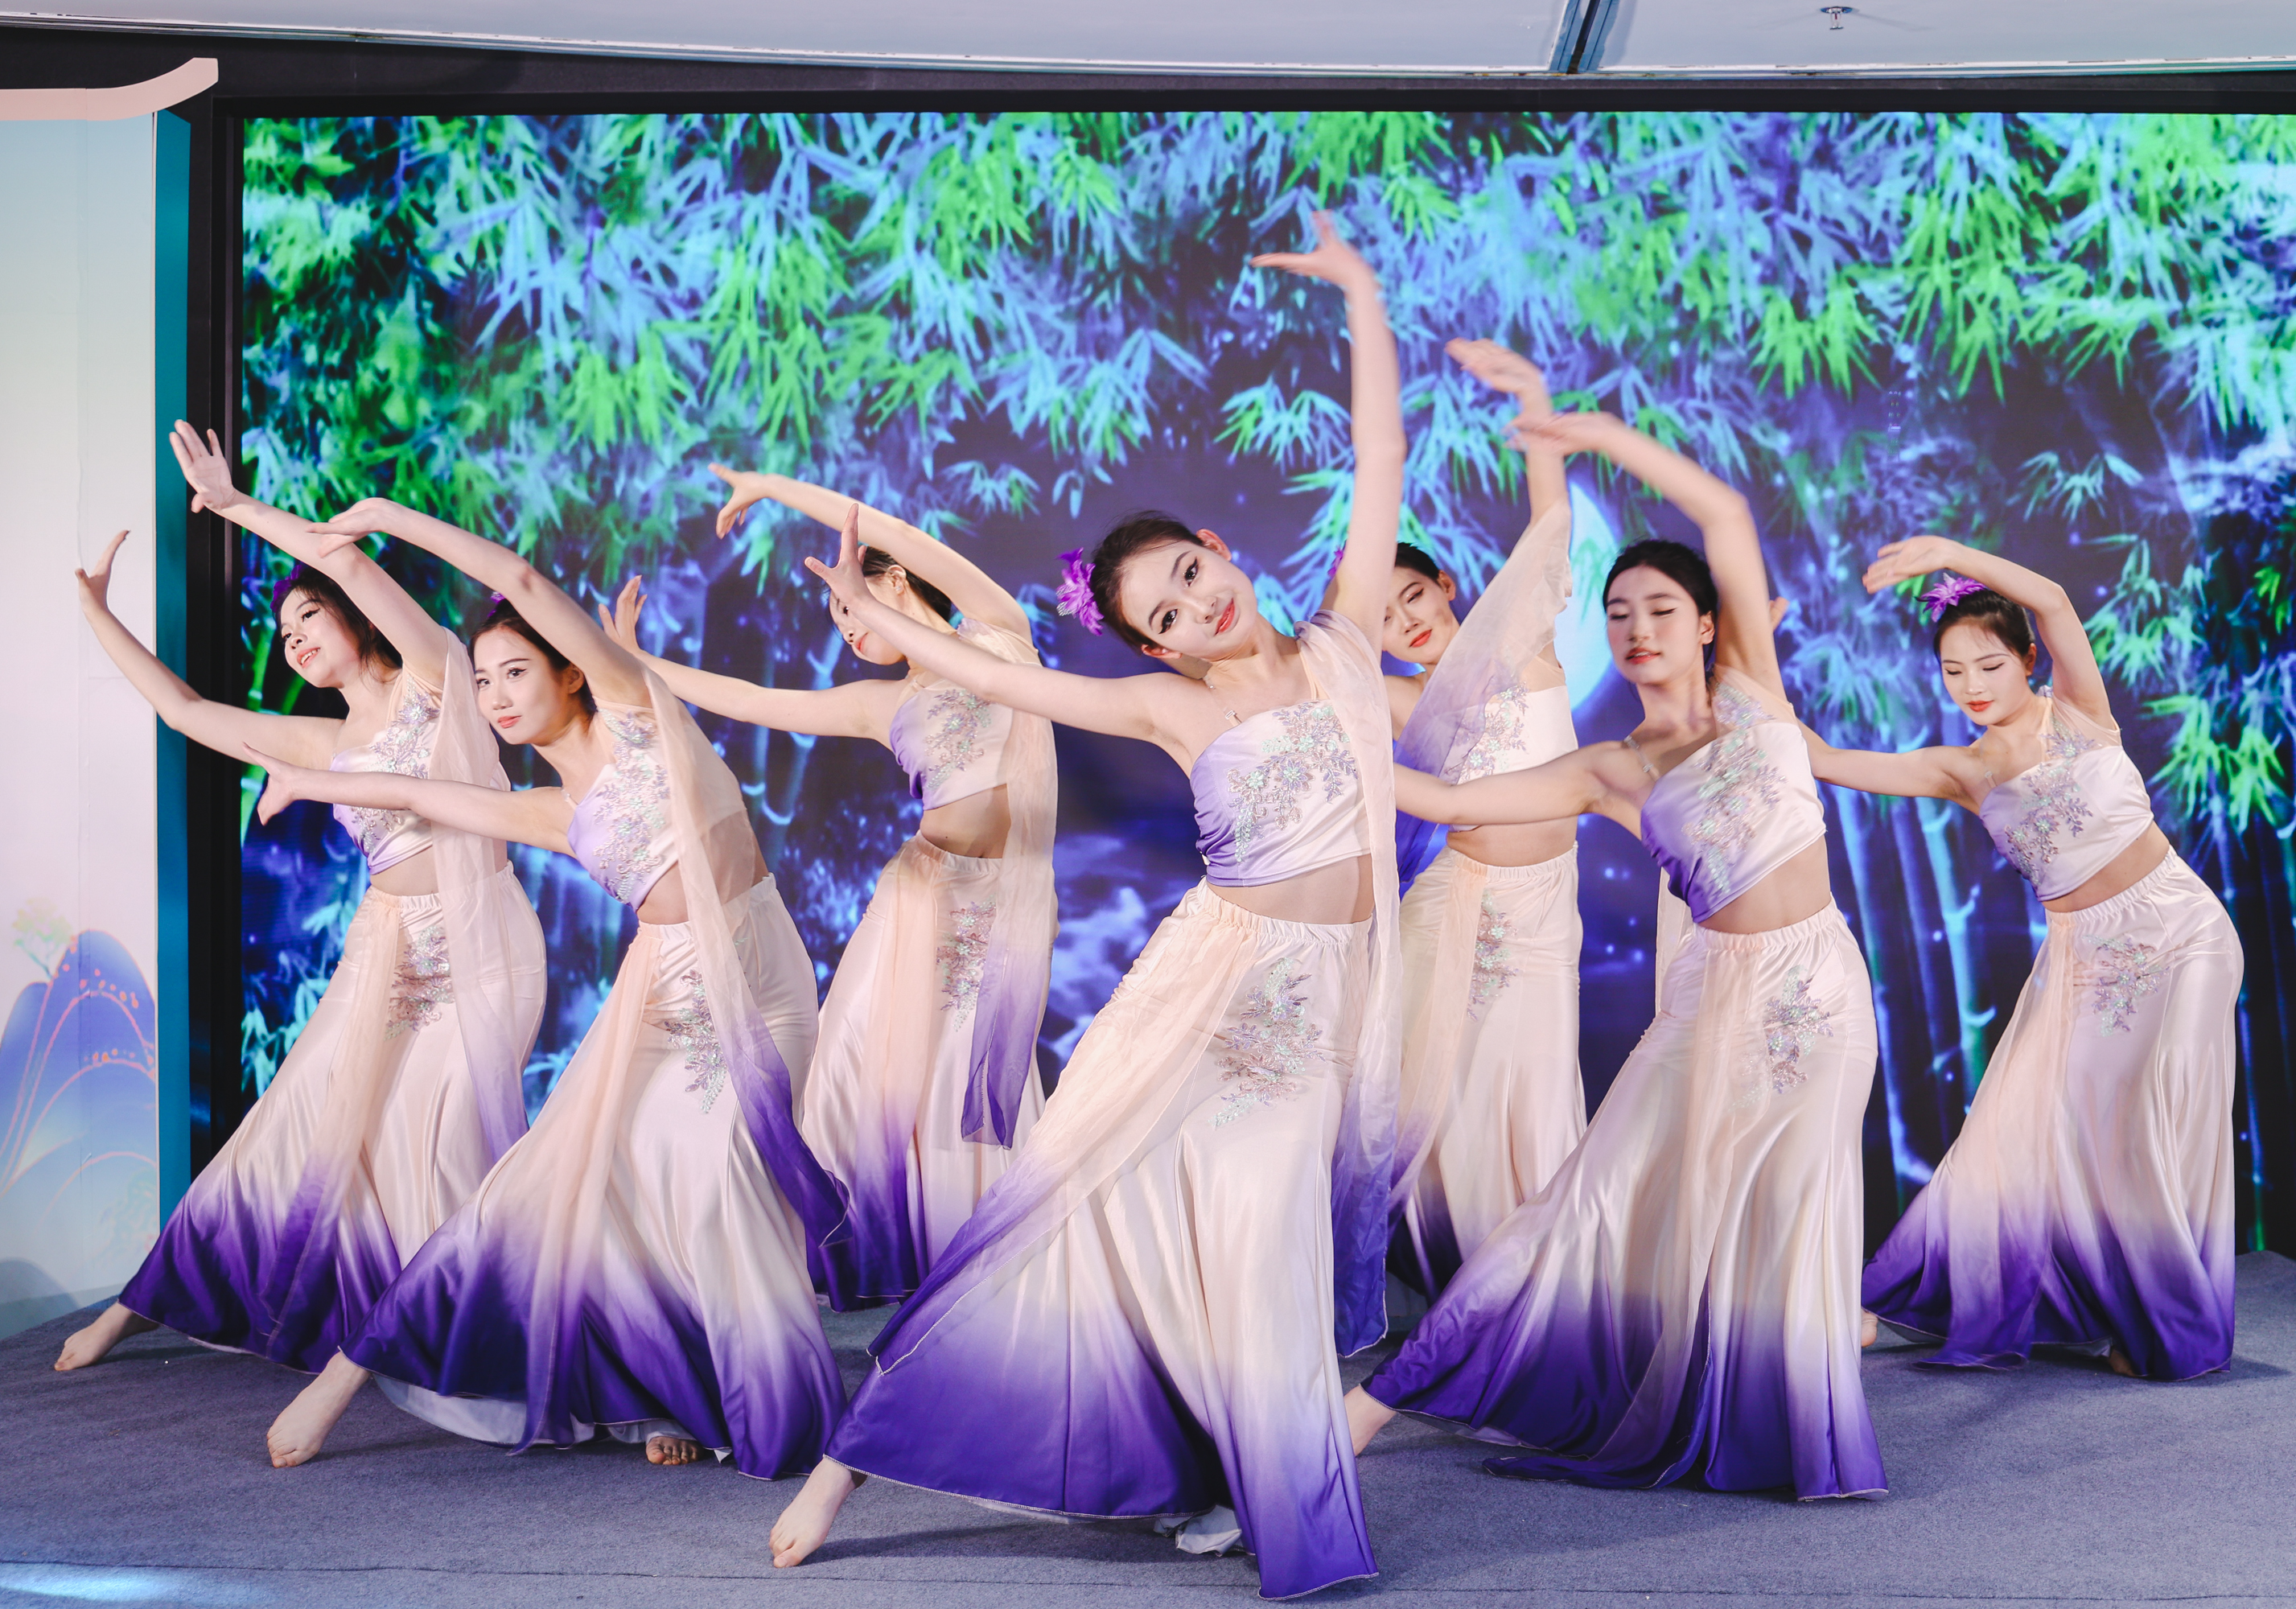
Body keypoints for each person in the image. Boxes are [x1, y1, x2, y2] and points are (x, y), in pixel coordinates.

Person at [764, 212, 1405, 1599]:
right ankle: (853, 1460)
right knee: (1060, 1207)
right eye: (1164, 616)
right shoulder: (1170, 711)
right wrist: (887, 620)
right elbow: (1007, 679)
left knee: (1255, 1245)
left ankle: (1231, 1482)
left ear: (1220, 550)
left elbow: (1379, 465)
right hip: (1210, 991)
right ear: (1155, 654)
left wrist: (1359, 295)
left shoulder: (1342, 644)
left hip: (1321, 998)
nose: (1195, 607)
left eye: (1191, 575)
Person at [1347, 402, 1887, 1503]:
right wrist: (1316, 743)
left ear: (1709, 624)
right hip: (1707, 1001)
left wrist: (1591, 431)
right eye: (1619, 612)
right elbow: (1439, 798)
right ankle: (1360, 1415)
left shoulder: (1755, 697)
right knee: (1583, 1200)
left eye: (1661, 608)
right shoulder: (1609, 766)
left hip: (1820, 992)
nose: (1638, 627)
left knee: (1788, 1204)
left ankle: (1774, 1420)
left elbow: (1723, 511)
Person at [241, 496, 845, 1479]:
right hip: (662, 994)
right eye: (480, 681)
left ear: (571, 669)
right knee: (549, 1187)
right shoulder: (556, 812)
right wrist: (310, 782)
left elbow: (518, 579)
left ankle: (731, 1387)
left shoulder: (639, 715)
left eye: (514, 671)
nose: (494, 696)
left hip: (759, 986)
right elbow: (414, 792)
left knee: (717, 1182)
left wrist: (390, 515)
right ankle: (356, 1374)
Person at [56, 426, 545, 1439]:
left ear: (356, 619)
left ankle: (447, 1338)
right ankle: (142, 1298)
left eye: (308, 617)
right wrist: (97, 614)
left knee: (444, 1145)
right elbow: (186, 711)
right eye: (282, 634)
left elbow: (346, 558)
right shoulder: (323, 741)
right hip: (387, 950)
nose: (293, 639)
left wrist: (237, 506)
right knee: (288, 1131)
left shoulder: (437, 677)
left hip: (485, 945)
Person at [597, 467, 1053, 1307]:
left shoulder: (999, 634)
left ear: (892, 580)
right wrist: (641, 664)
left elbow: (895, 532)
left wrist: (771, 487)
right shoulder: (879, 704)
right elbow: (750, 700)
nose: (845, 627)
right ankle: (812, 1259)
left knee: (970, 1084)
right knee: (857, 1080)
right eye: (837, 617)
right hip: (919, 902)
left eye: (850, 604)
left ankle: (982, 1267)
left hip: (1002, 909)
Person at [1809, 538, 2243, 1381]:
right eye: (1953, 671)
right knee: (2023, 1130)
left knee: (2160, 1109)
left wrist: (1946, 552)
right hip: (2081, 960)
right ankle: (2107, 1308)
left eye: (1990, 665)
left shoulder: (2077, 710)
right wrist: (1747, 689)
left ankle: (2173, 1322)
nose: (1972, 685)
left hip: (2181, 928)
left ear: (2028, 660)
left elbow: (2051, 597)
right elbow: (1827, 760)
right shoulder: (1962, 770)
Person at [1381, 339, 1584, 1303]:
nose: (1408, 622)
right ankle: (1472, 1293)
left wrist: (1535, 400)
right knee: (1449, 1098)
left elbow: (1550, 527)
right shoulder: (1393, 699)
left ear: (1446, 585)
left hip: (1542, 909)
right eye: (1385, 618)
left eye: (1413, 596)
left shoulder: (1522, 642)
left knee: (1536, 1092)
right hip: (1454, 908)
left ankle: (1546, 1291)